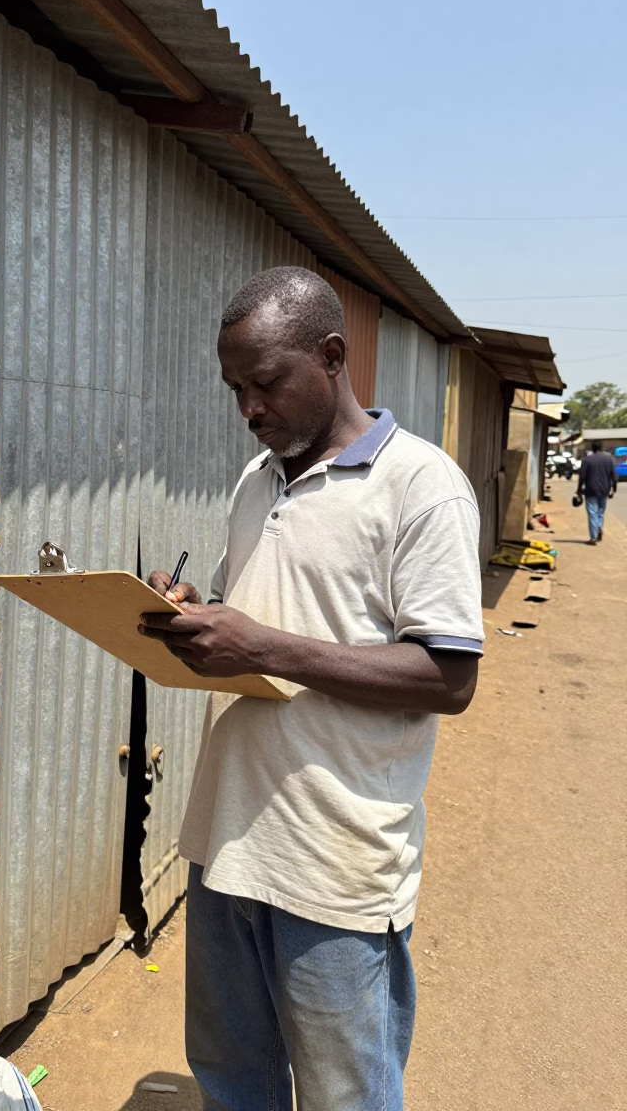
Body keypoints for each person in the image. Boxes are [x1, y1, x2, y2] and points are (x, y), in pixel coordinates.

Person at [139, 267, 483, 1110]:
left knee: (344, 1096)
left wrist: (264, 644)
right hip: (229, 840)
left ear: (332, 356)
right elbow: (249, 620)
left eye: (264, 384)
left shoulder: (420, 486)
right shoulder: (257, 482)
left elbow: (449, 674)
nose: (249, 410)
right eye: (234, 389)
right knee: (233, 1081)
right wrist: (187, 616)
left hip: (335, 862)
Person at [578, 440, 617, 544]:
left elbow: (582, 477)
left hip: (591, 489)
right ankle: (599, 526)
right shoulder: (609, 460)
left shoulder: (587, 460)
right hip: (604, 489)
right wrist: (614, 489)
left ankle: (593, 537)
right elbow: (614, 476)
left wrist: (578, 490)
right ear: (601, 448)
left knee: (592, 512)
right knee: (600, 511)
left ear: (593, 448)